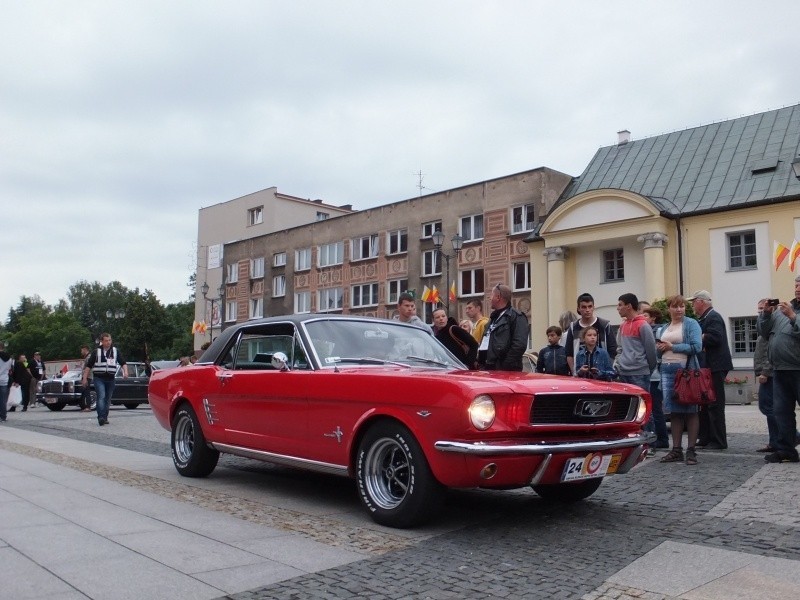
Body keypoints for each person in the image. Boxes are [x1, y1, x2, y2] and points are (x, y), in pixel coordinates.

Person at [656, 294, 703, 465]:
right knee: (674, 411)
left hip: (686, 371)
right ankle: (676, 450)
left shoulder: (691, 324)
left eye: (681, 306)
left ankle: (691, 450)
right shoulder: (663, 328)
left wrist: (672, 346)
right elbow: (658, 353)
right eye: (675, 306)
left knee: (690, 410)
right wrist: (660, 348)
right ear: (668, 309)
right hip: (667, 371)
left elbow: (697, 347)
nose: (679, 309)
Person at [757, 294, 800, 463]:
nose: (797, 288)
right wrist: (766, 314)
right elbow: (763, 332)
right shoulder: (781, 311)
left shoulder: (789, 312)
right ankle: (786, 449)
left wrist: (793, 317)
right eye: (796, 285)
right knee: (781, 412)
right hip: (780, 370)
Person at [687, 290, 733, 450]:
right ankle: (705, 437)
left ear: (701, 302)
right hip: (708, 366)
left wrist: (699, 337)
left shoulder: (713, 317)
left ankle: (718, 440)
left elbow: (716, 338)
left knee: (714, 404)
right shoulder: (706, 318)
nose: (692, 305)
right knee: (705, 404)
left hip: (716, 366)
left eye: (694, 302)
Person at [478, 284, 528, 371]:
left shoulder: (517, 317)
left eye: (491, 295)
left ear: (498, 297)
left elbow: (519, 345)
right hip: (488, 368)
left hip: (506, 371)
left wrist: (505, 366)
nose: (490, 298)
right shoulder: (493, 318)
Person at [564, 293, 617, 375]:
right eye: (584, 307)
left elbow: (613, 350)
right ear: (578, 308)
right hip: (581, 373)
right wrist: (575, 372)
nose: (587, 310)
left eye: (590, 306)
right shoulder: (573, 327)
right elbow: (569, 353)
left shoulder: (604, 325)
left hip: (602, 374)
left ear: (593, 307)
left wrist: (606, 371)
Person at [82, 333, 128, 426]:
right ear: (101, 342)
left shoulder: (115, 351)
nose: (108, 342)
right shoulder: (96, 352)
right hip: (99, 378)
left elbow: (123, 362)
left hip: (111, 379)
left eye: (110, 340)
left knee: (108, 399)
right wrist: (84, 378)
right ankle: (101, 417)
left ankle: (105, 417)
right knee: (101, 396)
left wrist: (125, 372)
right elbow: (88, 366)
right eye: (106, 341)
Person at [615, 293, 657, 393]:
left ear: (629, 306)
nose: (618, 308)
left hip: (639, 374)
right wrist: (618, 364)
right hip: (623, 373)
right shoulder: (622, 326)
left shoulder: (643, 325)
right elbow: (620, 348)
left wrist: (648, 368)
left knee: (641, 405)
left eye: (620, 305)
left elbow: (651, 350)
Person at [642, 307, 669, 449]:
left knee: (656, 409)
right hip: (650, 374)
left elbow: (657, 351)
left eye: (645, 315)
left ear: (653, 318)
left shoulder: (658, 331)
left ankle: (662, 439)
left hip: (655, 375)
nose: (642, 317)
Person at [753, 328, 776, 453]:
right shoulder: (764, 328)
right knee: (769, 407)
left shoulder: (772, 328)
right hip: (767, 373)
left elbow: (772, 352)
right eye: (759, 308)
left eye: (763, 307)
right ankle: (774, 442)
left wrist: (765, 372)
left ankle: (793, 435)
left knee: (767, 407)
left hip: (770, 375)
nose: (760, 311)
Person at [79, 345, 93, 411]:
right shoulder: (87, 357)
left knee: (87, 392)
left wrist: (85, 378)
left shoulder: (89, 357)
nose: (81, 352)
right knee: (84, 392)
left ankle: (88, 407)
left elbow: (88, 368)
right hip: (86, 376)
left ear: (85, 349)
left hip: (87, 377)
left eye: (82, 350)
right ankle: (84, 406)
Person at [0, 342, 11, 422]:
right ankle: (3, 416)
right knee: (3, 400)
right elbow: (9, 369)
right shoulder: (9, 358)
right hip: (4, 379)